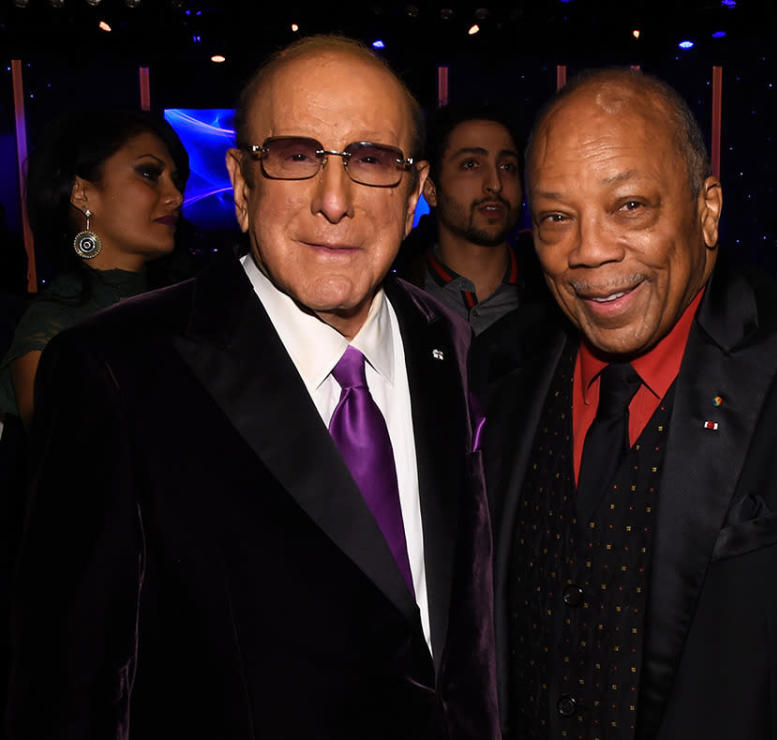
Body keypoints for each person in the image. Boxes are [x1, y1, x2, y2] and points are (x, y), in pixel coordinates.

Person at [7, 35, 498, 739]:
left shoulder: (455, 345)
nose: (335, 200)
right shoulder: (114, 372)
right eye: (297, 157)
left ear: (416, 190)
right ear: (242, 184)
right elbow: (68, 690)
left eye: (371, 160)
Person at [480, 68, 777, 739]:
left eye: (630, 207)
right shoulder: (501, 365)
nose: (588, 252)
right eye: (558, 217)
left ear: (707, 210)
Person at [0, 110, 188, 428]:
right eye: (149, 174)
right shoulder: (51, 331)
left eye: (177, 180)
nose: (175, 197)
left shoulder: (190, 301)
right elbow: (70, 469)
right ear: (82, 193)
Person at [399, 103, 543, 336]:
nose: (495, 184)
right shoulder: (399, 300)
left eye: (508, 166)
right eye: (471, 165)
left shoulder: (553, 302)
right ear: (430, 189)